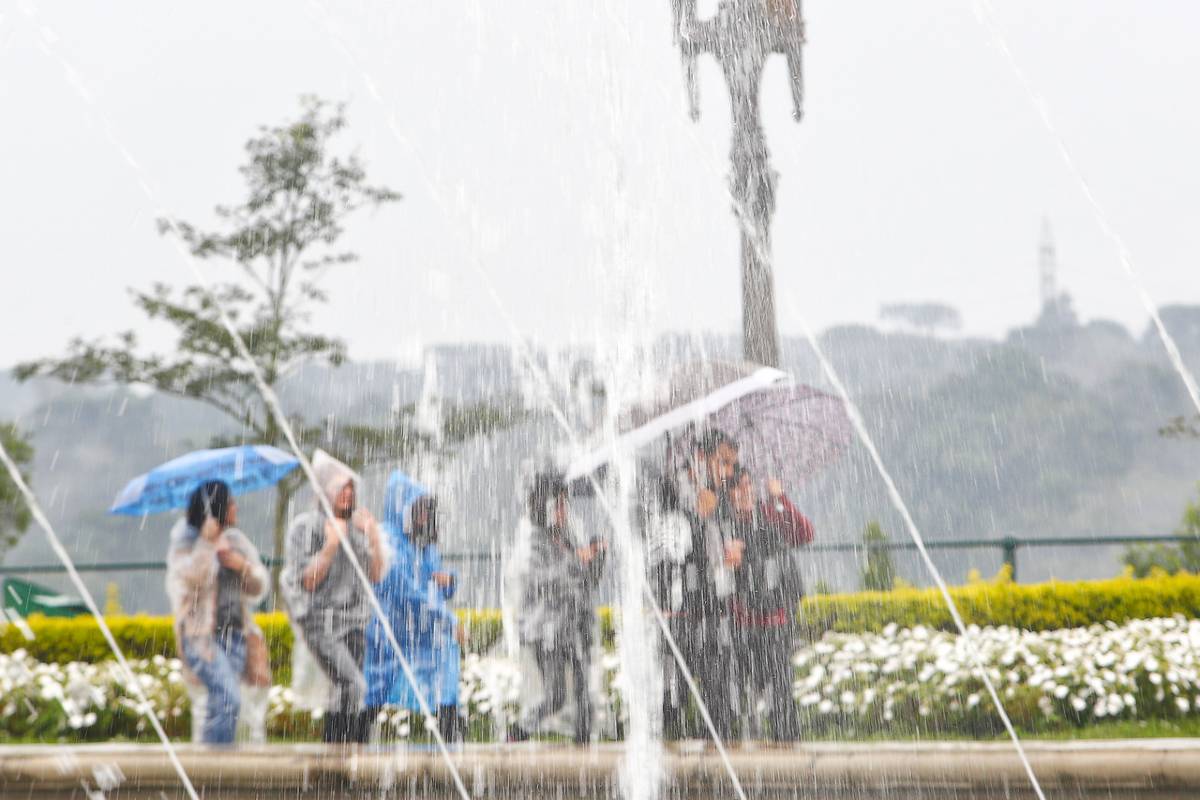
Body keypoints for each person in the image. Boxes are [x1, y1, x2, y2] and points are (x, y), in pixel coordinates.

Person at [281, 450, 388, 744]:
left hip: (353, 621)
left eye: (351, 488)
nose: (348, 493)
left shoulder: (356, 529)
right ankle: (341, 754)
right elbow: (306, 581)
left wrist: (373, 538)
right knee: (352, 684)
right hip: (321, 622)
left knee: (345, 692)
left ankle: (344, 757)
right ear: (325, 490)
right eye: (341, 487)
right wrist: (329, 546)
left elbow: (375, 574)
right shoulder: (306, 527)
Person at [166, 480, 269, 745]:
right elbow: (189, 579)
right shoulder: (187, 541)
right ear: (217, 507)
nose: (236, 507)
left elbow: (259, 586)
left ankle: (213, 766)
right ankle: (216, 767)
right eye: (231, 502)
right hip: (202, 638)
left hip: (235, 635)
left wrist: (240, 564)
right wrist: (207, 544)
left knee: (222, 704)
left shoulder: (236, 541)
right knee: (228, 697)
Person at [365, 471, 463, 742]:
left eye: (426, 509)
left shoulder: (423, 543)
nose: (423, 515)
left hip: (423, 630)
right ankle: (351, 744)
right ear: (402, 507)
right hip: (391, 630)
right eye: (418, 508)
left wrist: (449, 582)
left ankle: (452, 736)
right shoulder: (389, 541)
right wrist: (448, 620)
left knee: (446, 670)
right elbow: (404, 591)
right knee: (376, 688)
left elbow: (437, 579)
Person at [509, 473, 606, 744]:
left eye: (565, 504)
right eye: (559, 504)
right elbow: (542, 581)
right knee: (555, 695)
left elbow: (586, 582)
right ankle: (518, 732)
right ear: (546, 506)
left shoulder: (567, 537)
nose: (564, 511)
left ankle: (584, 741)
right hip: (545, 630)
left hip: (571, 625)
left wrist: (597, 558)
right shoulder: (533, 542)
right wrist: (577, 559)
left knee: (584, 685)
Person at [725, 466, 814, 740]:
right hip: (744, 622)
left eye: (749, 484)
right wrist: (726, 559)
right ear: (728, 494)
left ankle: (786, 742)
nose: (745, 491)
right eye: (738, 487)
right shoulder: (724, 524)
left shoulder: (768, 512)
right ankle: (744, 742)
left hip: (777, 617)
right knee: (743, 689)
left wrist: (780, 497)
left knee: (781, 686)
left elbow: (804, 534)